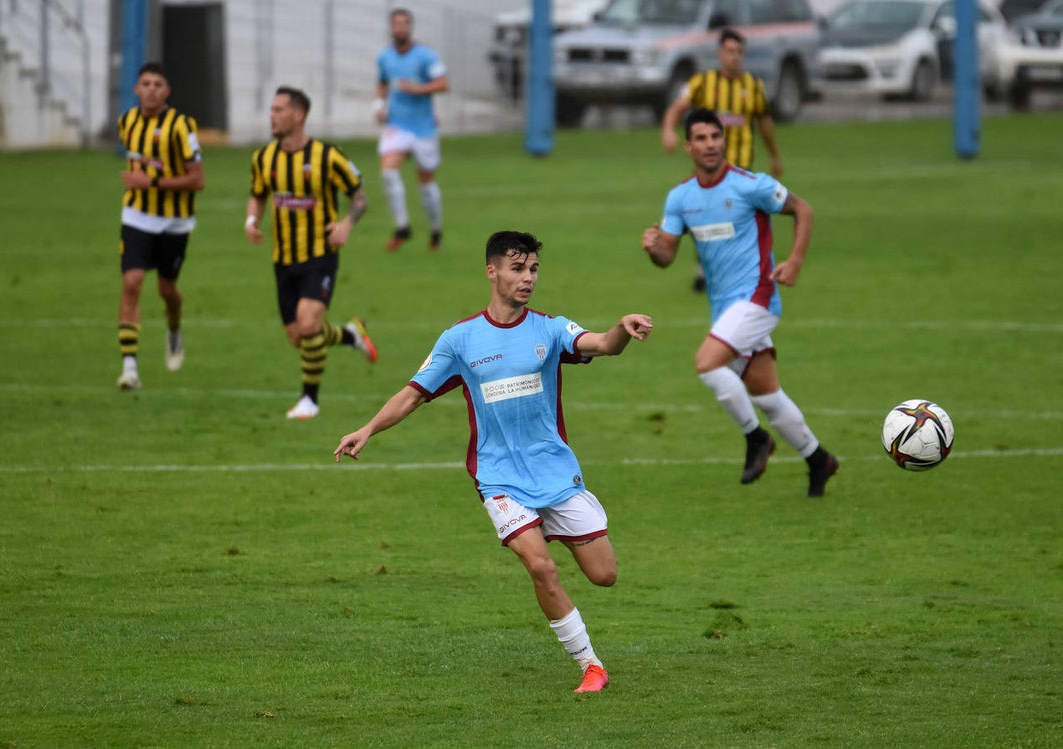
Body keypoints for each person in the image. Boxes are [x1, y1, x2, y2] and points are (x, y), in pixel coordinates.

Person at [334, 231, 653, 693]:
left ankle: (548, 525)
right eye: (518, 268)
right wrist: (367, 428)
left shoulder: (549, 328)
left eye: (534, 270)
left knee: (605, 575)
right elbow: (412, 394)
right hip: (499, 478)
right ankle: (591, 666)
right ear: (492, 271)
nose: (528, 278)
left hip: (554, 472)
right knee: (541, 568)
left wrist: (622, 328)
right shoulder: (460, 340)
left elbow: (602, 344)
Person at [641, 108, 839, 498]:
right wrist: (653, 248)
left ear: (723, 140)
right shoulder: (681, 197)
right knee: (768, 395)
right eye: (701, 138)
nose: (710, 144)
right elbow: (666, 257)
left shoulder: (751, 185)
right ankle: (820, 461)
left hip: (758, 299)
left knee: (706, 362)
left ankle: (755, 440)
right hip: (725, 310)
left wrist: (795, 260)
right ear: (688, 146)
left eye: (715, 136)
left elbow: (803, 209)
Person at [245, 87, 378, 420]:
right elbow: (258, 194)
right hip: (283, 259)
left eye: (279, 110)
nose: (272, 115)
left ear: (298, 115)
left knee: (308, 324)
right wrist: (251, 220)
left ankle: (310, 400)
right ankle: (351, 335)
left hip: (320, 255)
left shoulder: (328, 156)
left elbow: (360, 197)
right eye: (271, 109)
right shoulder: (264, 158)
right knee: (298, 336)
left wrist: (347, 222)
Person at [659, 28, 782, 293]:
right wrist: (668, 130)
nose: (734, 57)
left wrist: (774, 155)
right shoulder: (703, 83)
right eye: (729, 51)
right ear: (719, 54)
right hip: (708, 170)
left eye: (738, 52)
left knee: (740, 220)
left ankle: (736, 269)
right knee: (703, 216)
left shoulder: (753, 87)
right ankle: (706, 267)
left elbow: (764, 123)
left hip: (741, 167)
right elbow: (677, 107)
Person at [115, 62, 205, 390]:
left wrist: (149, 181)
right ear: (136, 89)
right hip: (137, 216)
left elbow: (198, 180)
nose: (151, 89)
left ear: (167, 92)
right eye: (145, 84)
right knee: (132, 282)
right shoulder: (126, 122)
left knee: (167, 290)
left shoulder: (182, 126)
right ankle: (129, 368)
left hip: (175, 223)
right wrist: (143, 186)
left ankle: (174, 327)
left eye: (158, 84)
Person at [374, 7, 449, 252]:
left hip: (423, 127)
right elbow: (382, 82)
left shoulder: (426, 56)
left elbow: (443, 83)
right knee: (387, 170)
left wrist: (419, 89)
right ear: (391, 28)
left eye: (404, 24)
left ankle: (436, 230)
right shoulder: (385, 57)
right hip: (397, 125)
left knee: (425, 182)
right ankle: (402, 227)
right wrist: (378, 105)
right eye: (396, 24)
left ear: (411, 27)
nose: (400, 28)